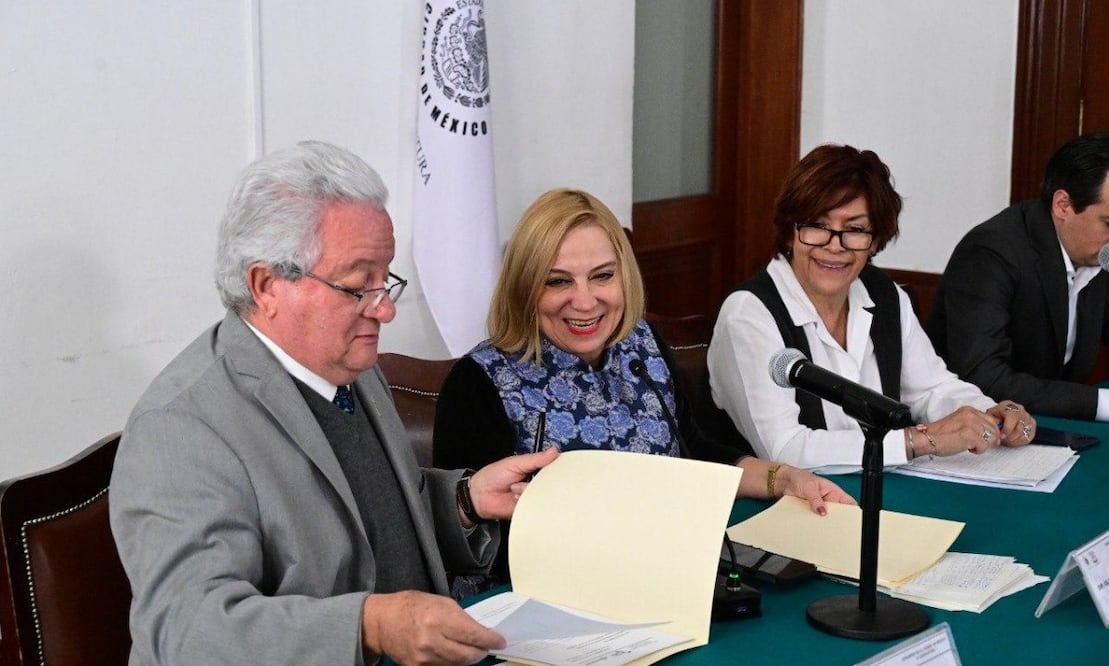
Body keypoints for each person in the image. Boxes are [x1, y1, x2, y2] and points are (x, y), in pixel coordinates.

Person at [108, 140, 558, 665]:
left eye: (384, 279)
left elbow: (362, 524)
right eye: (356, 285)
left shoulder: (348, 367)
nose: (384, 309)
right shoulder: (181, 427)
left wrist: (463, 500)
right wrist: (369, 625)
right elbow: (190, 632)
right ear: (266, 285)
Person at [433, 188, 855, 593]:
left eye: (602, 276)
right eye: (558, 282)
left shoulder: (643, 345)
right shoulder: (478, 382)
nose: (585, 301)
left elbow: (695, 452)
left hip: (662, 582)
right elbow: (471, 542)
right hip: (538, 604)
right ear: (524, 287)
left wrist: (784, 478)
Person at [706, 144, 1036, 473]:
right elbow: (784, 450)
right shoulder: (749, 314)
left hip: (874, 491)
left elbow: (933, 388)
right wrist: (917, 441)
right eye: (817, 226)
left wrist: (990, 414)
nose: (833, 246)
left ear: (876, 240)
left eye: (854, 230)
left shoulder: (885, 297)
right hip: (776, 511)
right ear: (791, 232)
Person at [927, 132, 1109, 420]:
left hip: (1049, 427)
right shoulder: (992, 251)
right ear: (1064, 206)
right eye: (1108, 223)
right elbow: (983, 376)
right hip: (977, 433)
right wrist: (1102, 404)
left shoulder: (1098, 252)